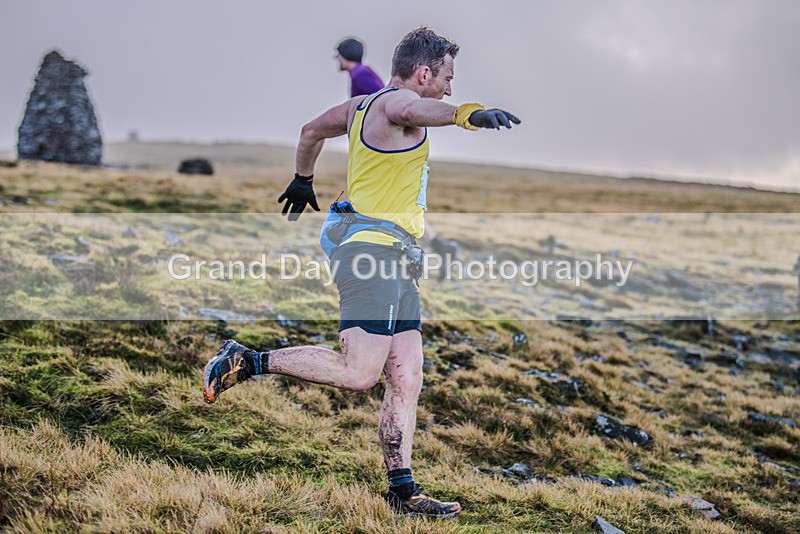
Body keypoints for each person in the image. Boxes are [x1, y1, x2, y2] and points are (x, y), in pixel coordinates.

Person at [203, 26, 520, 518]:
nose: (450, 87)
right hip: (373, 256)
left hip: (396, 257)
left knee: (406, 376)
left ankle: (402, 492)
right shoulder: (398, 104)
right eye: (448, 78)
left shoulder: (359, 108)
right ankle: (246, 360)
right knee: (358, 373)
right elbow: (418, 109)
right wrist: (467, 115)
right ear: (422, 73)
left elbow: (310, 130)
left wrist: (302, 178)